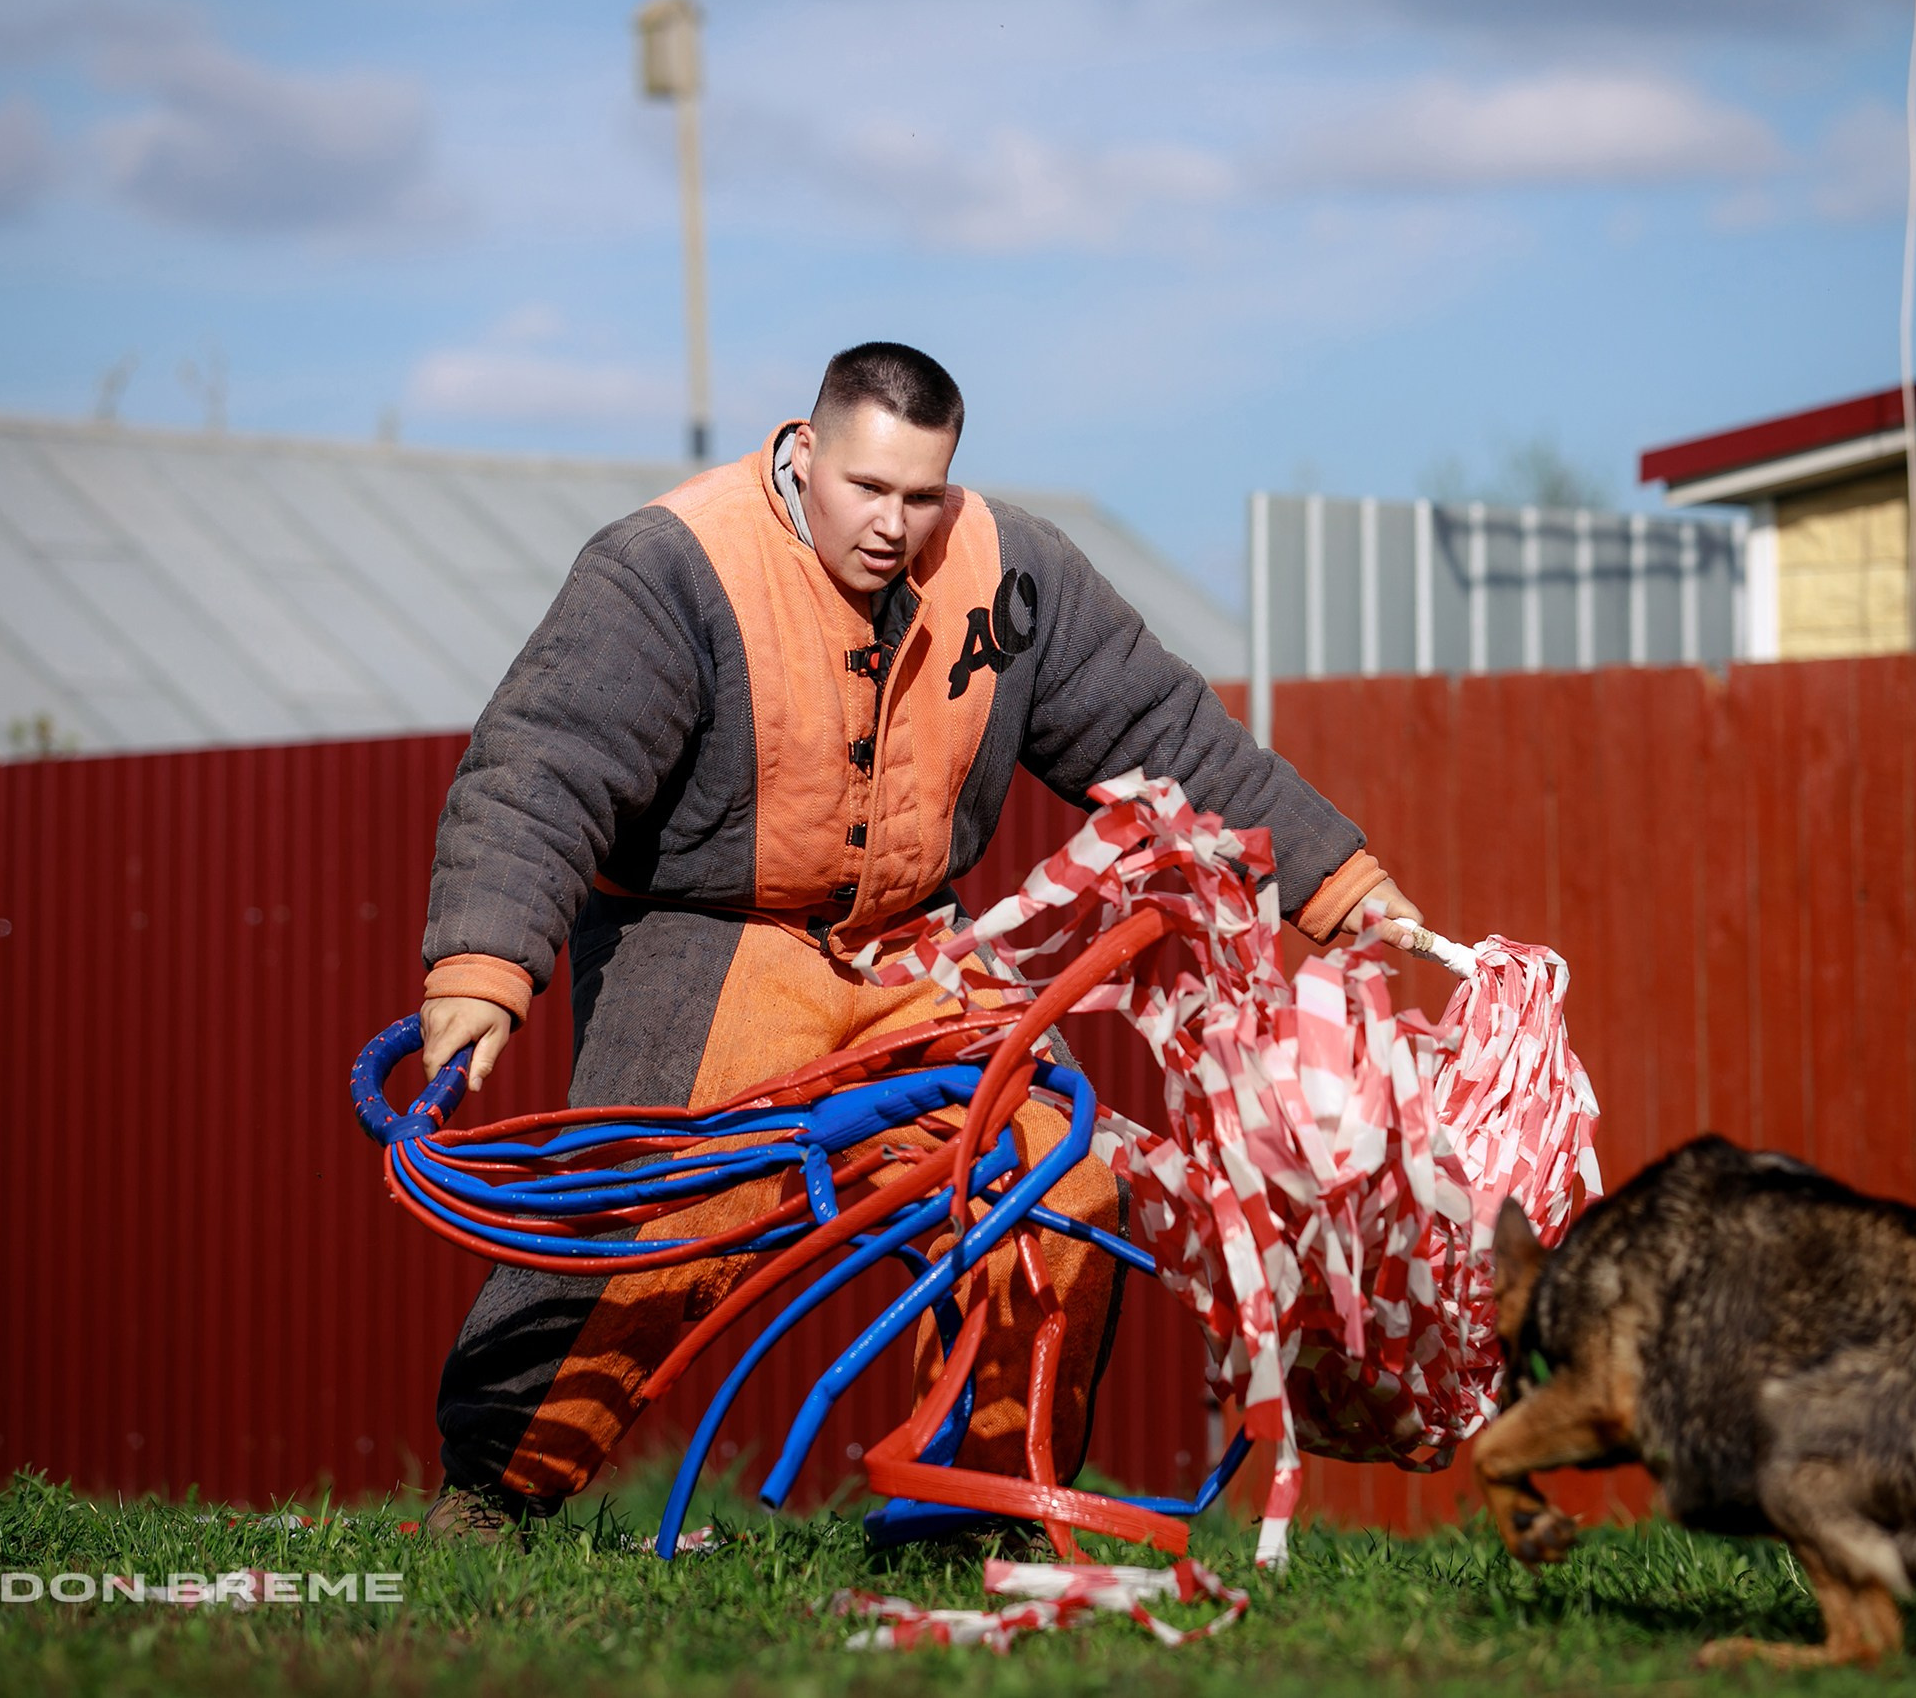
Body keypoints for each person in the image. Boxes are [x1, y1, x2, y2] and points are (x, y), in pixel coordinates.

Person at [414, 341, 1424, 1541]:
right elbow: (543, 765)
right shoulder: (667, 569)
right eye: (868, 490)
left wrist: (1340, 882)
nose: (895, 524)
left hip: (914, 953)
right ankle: (493, 1494)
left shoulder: (1012, 573)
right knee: (660, 1215)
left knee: (1052, 1179)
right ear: (803, 449)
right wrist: (483, 963)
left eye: (922, 494)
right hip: (708, 935)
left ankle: (984, 1509)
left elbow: (1170, 735)